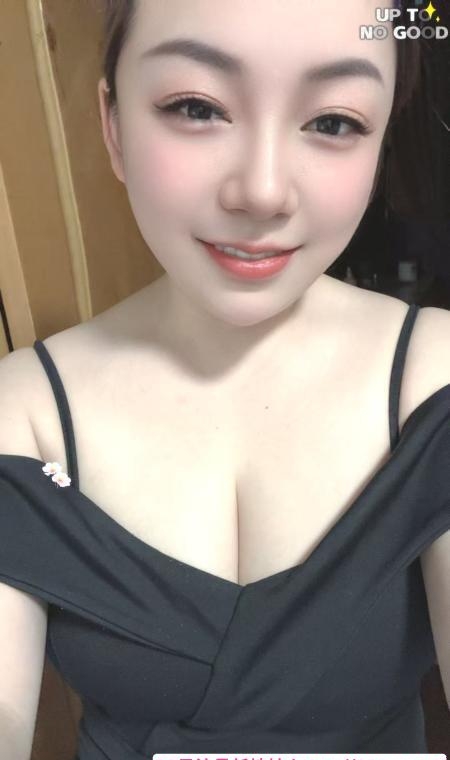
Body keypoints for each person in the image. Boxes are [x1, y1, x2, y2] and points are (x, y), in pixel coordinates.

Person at [0, 1, 449, 758]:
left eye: (334, 121)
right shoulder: (23, 410)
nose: (263, 192)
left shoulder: (431, 376)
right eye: (197, 107)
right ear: (113, 125)